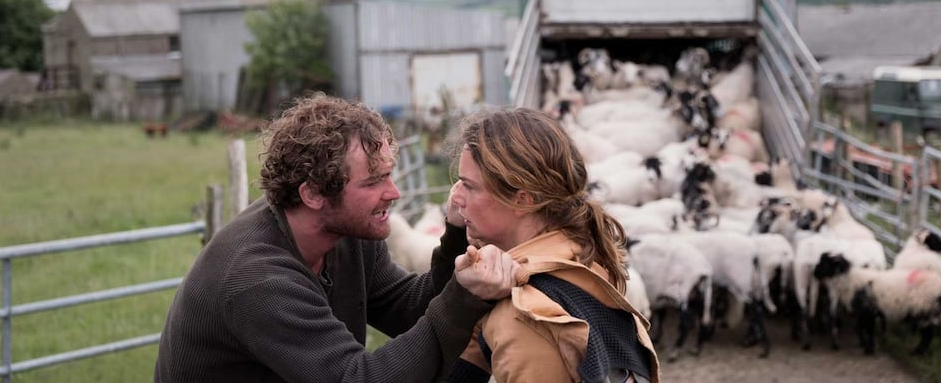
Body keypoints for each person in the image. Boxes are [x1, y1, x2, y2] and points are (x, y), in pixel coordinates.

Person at [154, 93, 519, 383]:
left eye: (389, 175)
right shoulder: (258, 280)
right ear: (313, 193)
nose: (394, 193)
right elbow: (358, 378)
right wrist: (464, 296)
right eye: (374, 181)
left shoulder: (344, 232)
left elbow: (409, 309)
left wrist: (456, 236)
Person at [444, 107, 660, 383]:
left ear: (523, 199)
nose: (455, 197)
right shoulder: (585, 261)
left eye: (468, 186)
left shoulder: (524, 318)